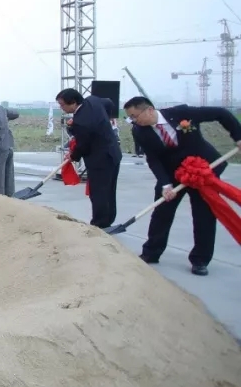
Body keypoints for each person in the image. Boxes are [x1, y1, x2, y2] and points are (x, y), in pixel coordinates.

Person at [123, 96, 241, 276]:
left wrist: (238, 137)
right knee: (161, 213)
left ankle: (200, 260)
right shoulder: (139, 131)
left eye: (134, 116)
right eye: (130, 117)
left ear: (149, 110)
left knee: (203, 215)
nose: (133, 120)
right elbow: (153, 159)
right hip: (172, 174)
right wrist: (165, 184)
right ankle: (151, 252)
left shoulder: (181, 113)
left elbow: (221, 113)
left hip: (202, 170)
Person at [56, 88, 123, 229]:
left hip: (100, 159)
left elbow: (83, 146)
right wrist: (104, 121)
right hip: (113, 153)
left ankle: (99, 224)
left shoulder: (81, 121)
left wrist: (73, 156)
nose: (61, 107)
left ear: (73, 102)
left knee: (98, 192)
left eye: (62, 104)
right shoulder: (93, 100)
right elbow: (109, 103)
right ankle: (108, 219)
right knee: (109, 190)